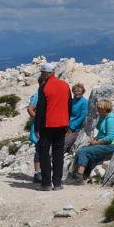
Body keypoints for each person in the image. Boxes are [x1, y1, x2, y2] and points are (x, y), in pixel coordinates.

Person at [33, 61, 71, 191]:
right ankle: (58, 183)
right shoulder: (65, 85)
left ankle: (46, 183)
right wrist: (67, 122)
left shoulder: (43, 87)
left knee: (44, 153)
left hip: (47, 125)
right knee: (58, 153)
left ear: (45, 73)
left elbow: (40, 109)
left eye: (42, 73)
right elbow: (69, 105)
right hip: (62, 124)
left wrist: (37, 127)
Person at [70, 99, 114, 184]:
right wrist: (95, 139)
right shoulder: (104, 117)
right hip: (104, 144)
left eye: (99, 108)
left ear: (105, 109)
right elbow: (100, 131)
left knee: (84, 152)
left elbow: (109, 138)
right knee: (79, 151)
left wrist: (95, 143)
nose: (97, 110)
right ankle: (78, 173)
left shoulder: (110, 120)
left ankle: (79, 176)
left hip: (110, 146)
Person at [27, 90, 41, 183]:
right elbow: (30, 109)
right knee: (39, 147)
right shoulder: (37, 95)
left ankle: (41, 172)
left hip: (44, 125)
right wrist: (39, 120)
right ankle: (37, 173)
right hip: (38, 125)